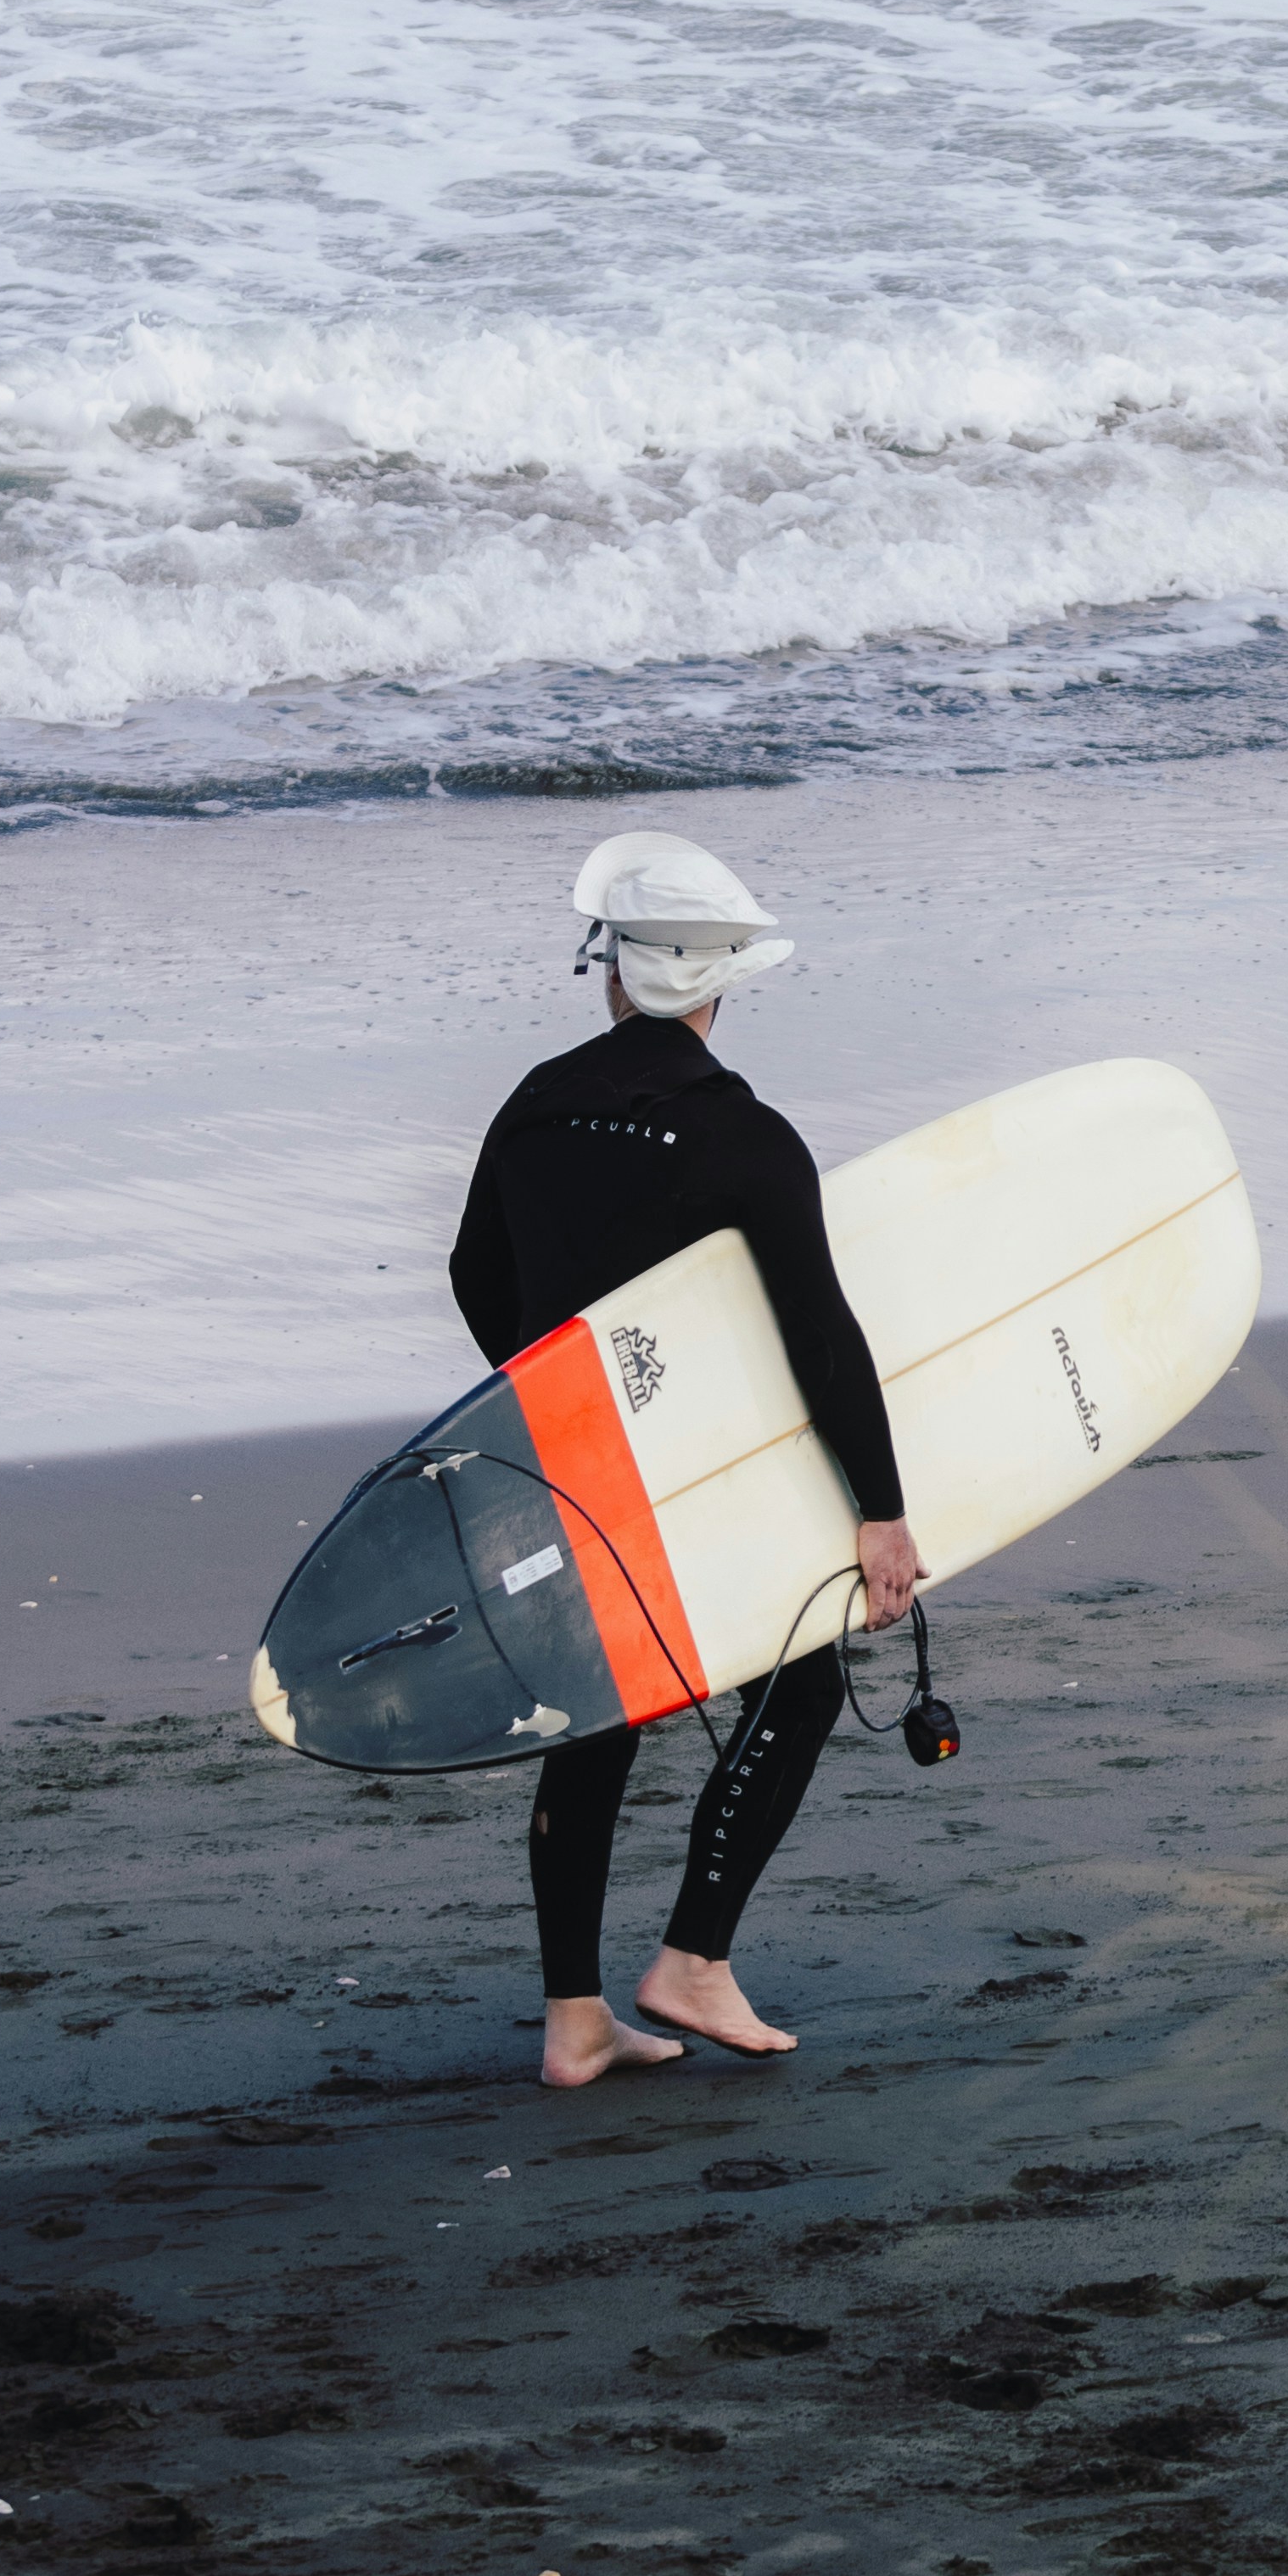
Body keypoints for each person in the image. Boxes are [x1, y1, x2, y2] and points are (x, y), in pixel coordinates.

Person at [445, 831, 921, 2090]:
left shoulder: (535, 1100)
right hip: (696, 1470)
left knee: (593, 1718)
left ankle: (572, 2020)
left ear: (612, 971)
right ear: (717, 985)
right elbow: (820, 1333)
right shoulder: (742, 1137)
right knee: (801, 1686)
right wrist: (879, 1512)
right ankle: (692, 1961)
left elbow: (470, 1275)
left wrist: (552, 1390)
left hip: (569, 1464)